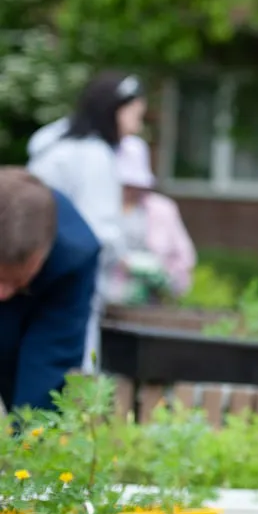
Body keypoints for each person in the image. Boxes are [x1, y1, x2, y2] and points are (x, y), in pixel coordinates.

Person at [27, 71, 147, 370]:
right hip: (69, 283)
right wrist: (123, 260)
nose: (137, 125)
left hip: (32, 272)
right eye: (135, 115)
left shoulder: (52, 145)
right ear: (115, 110)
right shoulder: (94, 156)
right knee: (71, 376)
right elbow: (101, 233)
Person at [0, 168, 100, 412]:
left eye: (16, 280)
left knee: (37, 402)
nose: (2, 294)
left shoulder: (73, 255)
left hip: (45, 302)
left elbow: (50, 360)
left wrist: (30, 440)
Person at [103, 135, 197, 305]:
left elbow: (185, 259)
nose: (129, 190)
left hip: (151, 303)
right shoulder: (100, 208)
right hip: (107, 301)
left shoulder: (162, 210)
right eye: (125, 184)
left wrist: (167, 278)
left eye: (134, 184)